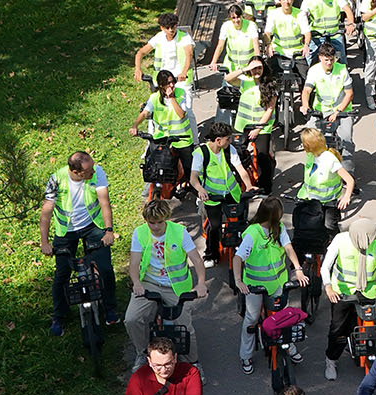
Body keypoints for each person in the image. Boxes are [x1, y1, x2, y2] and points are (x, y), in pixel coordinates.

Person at [39, 150, 117, 338]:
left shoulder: (97, 172)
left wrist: (108, 230)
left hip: (93, 226)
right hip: (66, 231)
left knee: (105, 269)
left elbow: (104, 202)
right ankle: (59, 315)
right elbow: (46, 212)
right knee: (62, 274)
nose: (93, 172)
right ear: (76, 172)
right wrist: (44, 242)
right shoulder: (56, 179)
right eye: (88, 170)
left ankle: (110, 308)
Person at [124, 197, 209, 362]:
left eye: (159, 222)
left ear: (167, 219)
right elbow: (134, 263)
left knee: (185, 328)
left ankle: (194, 362)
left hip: (176, 287)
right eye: (151, 223)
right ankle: (143, 353)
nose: (155, 227)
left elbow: (197, 260)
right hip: (149, 284)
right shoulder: (139, 233)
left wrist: (200, 284)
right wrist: (137, 283)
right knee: (132, 319)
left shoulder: (179, 232)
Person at [234, 196, 306, 380]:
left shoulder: (279, 228)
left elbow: (288, 248)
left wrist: (297, 269)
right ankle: (245, 356)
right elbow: (238, 258)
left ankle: (288, 346)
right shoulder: (252, 233)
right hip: (255, 286)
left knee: (281, 318)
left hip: (277, 283)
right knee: (251, 319)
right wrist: (238, 281)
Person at [319, 216, 376, 381]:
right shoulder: (340, 240)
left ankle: (371, 357)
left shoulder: (375, 242)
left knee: (372, 328)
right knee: (337, 328)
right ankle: (331, 360)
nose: (370, 240)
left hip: (369, 291)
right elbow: (326, 266)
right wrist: (328, 286)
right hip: (343, 291)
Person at [191, 120, 249, 270]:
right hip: (212, 197)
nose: (230, 141)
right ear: (218, 140)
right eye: (227, 139)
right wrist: (200, 189)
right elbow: (193, 178)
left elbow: (241, 170)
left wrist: (249, 187)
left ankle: (243, 251)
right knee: (214, 226)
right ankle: (211, 254)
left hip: (232, 193)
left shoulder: (230, 150)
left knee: (240, 222)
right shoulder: (201, 153)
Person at [130, 69, 196, 189]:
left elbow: (181, 114)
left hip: (181, 139)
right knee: (151, 163)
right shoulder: (154, 97)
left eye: (173, 82)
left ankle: (194, 189)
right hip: (161, 138)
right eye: (168, 83)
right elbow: (145, 113)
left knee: (189, 168)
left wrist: (172, 98)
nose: (171, 85)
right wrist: (135, 125)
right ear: (161, 86)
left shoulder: (181, 93)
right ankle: (149, 187)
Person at [228, 59, 279, 190]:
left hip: (262, 128)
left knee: (263, 158)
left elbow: (270, 109)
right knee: (237, 155)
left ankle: (266, 187)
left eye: (259, 68)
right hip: (242, 125)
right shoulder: (245, 80)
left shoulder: (270, 84)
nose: (256, 71)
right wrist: (244, 69)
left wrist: (258, 128)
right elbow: (228, 79)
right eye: (254, 68)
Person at [301, 40, 355, 153]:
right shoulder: (314, 70)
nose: (329, 63)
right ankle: (311, 168)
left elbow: (349, 94)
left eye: (332, 59)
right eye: (326, 60)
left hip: (342, 110)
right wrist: (305, 105)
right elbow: (306, 91)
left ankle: (348, 169)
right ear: (320, 57)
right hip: (321, 110)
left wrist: (338, 111)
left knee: (346, 141)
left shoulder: (342, 69)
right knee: (310, 140)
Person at [296, 127, 355, 214]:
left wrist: (346, 197)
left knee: (329, 226)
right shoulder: (310, 155)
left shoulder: (329, 159)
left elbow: (350, 180)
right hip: (310, 199)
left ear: (308, 145)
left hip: (329, 202)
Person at [134, 12, 195, 87]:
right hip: (163, 80)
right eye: (167, 28)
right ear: (162, 28)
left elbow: (189, 54)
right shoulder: (159, 37)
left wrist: (184, 72)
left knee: (182, 97)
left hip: (180, 80)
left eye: (173, 27)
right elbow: (141, 52)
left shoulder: (185, 37)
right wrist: (138, 69)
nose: (171, 30)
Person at [302, 0, 351, 66]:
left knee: (342, 58)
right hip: (316, 34)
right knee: (309, 57)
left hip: (334, 33)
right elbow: (302, 15)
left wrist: (351, 24)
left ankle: (344, 76)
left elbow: (347, 9)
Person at [208, 2, 262, 82]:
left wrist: (257, 62)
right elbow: (220, 46)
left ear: (241, 16)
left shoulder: (251, 26)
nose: (236, 20)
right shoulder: (226, 26)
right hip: (232, 66)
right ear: (230, 18)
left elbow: (256, 46)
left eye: (238, 17)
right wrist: (214, 61)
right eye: (233, 18)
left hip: (248, 66)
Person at [263, 0, 310, 64]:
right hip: (278, 51)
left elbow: (307, 32)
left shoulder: (300, 14)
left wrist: (306, 45)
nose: (286, 2)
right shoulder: (273, 14)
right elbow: (267, 32)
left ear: (292, 1)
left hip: (296, 52)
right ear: (280, 1)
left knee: (304, 74)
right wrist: (268, 45)